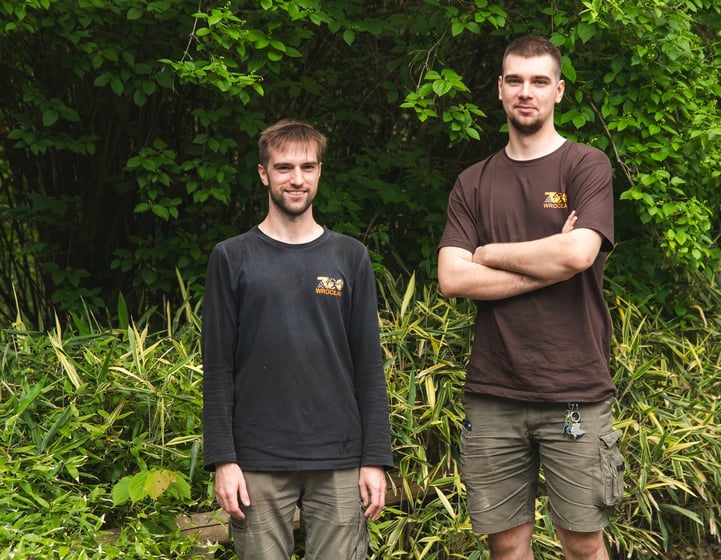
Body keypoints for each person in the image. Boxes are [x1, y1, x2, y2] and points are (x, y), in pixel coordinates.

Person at [437, 35, 625, 560]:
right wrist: (550, 260)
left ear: (558, 91)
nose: (527, 92)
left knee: (583, 544)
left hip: (574, 388)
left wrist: (490, 252)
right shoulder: (473, 183)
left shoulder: (586, 166)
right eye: (515, 80)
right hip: (495, 389)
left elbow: (578, 256)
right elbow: (452, 278)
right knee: (507, 545)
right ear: (499, 89)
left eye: (539, 82)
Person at [202, 119, 393, 559]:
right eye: (284, 167)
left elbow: (368, 365)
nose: (297, 179)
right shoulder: (232, 258)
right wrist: (224, 460)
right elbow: (217, 368)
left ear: (320, 172)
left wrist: (375, 458)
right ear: (263, 174)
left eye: (307, 167)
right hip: (256, 460)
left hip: (341, 457)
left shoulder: (350, 257)